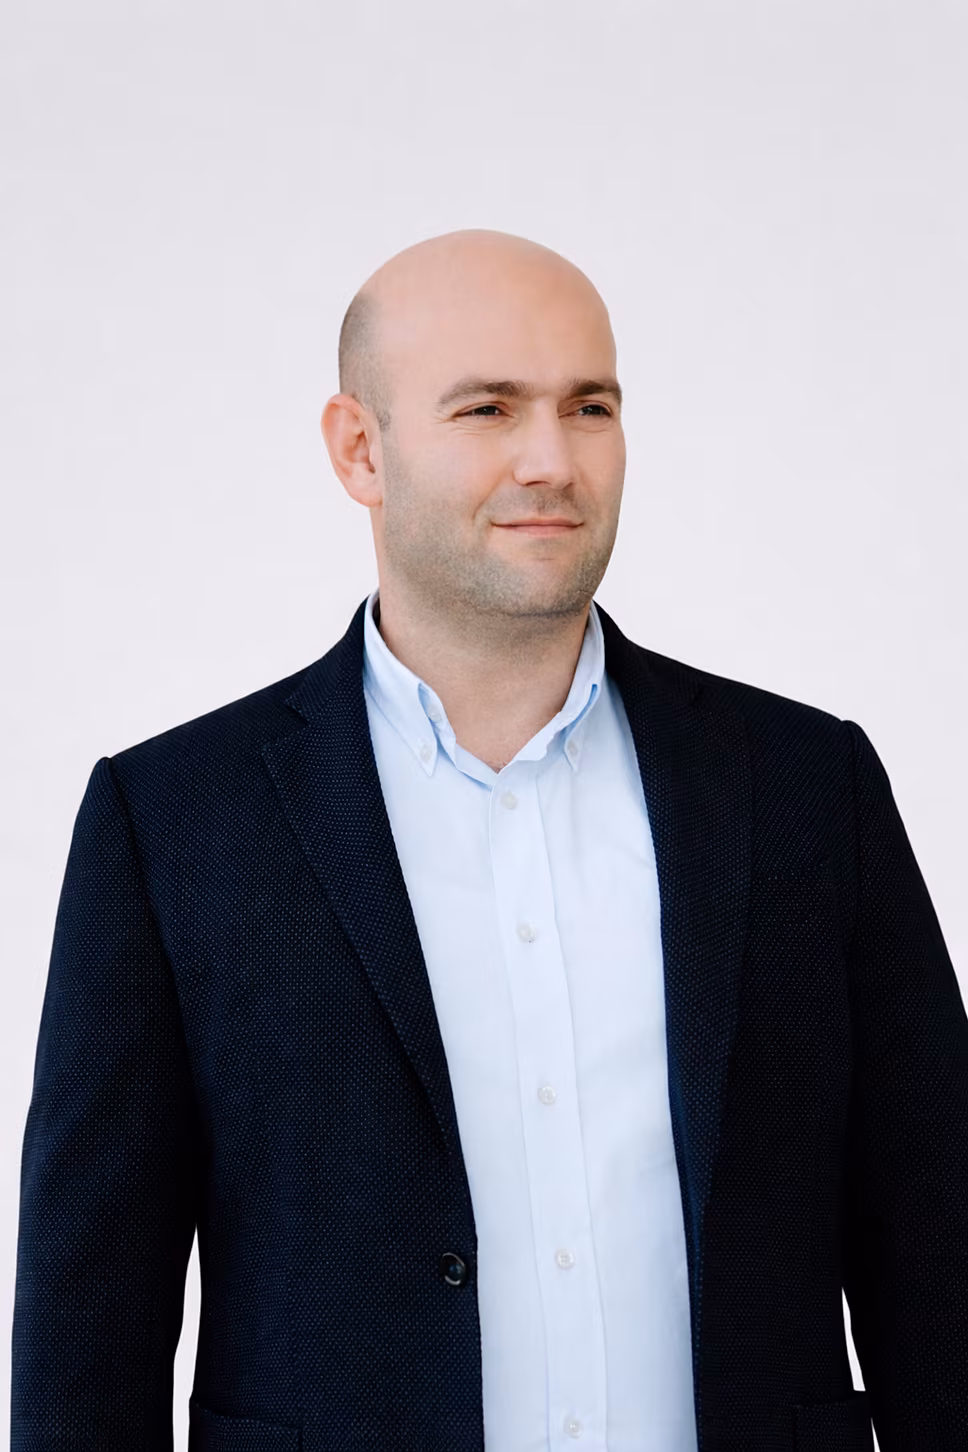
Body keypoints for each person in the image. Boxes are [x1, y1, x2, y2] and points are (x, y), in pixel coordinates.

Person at [10, 229, 967, 1452]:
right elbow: (89, 1329)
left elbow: (934, 1250)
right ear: (359, 449)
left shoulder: (803, 786)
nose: (551, 459)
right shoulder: (173, 822)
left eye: (589, 407)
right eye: (487, 408)